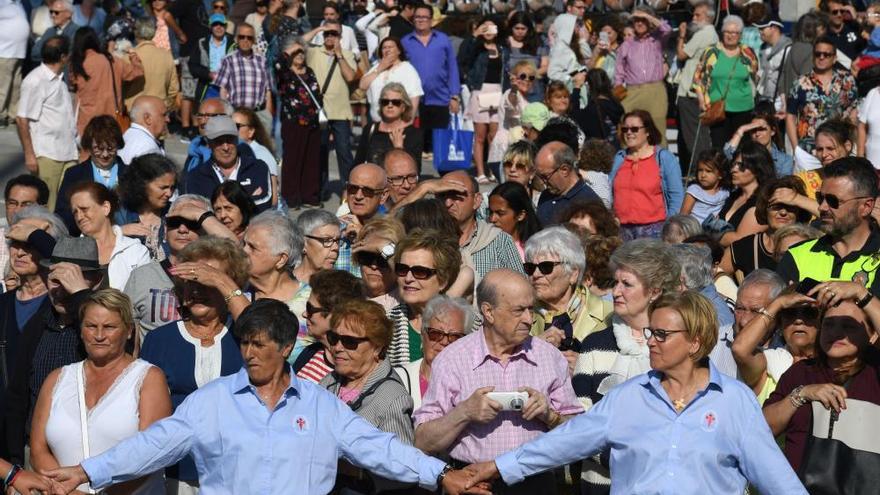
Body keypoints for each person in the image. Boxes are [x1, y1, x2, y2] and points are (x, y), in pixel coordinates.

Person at [43, 299, 477, 495]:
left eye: (259, 344)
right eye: (244, 343)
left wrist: (440, 476)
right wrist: (87, 471)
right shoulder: (211, 402)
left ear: (286, 347)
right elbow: (152, 445)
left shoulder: (321, 405)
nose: (248, 353)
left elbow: (379, 449)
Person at [463, 291, 809, 495]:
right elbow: (561, 443)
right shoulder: (626, 398)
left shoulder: (734, 401)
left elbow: (778, 480)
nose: (650, 341)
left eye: (661, 334)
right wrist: (495, 466)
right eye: (649, 331)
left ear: (695, 342)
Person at [414, 269, 584, 492]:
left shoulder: (549, 357)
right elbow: (423, 442)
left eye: (530, 309)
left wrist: (549, 416)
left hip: (535, 483)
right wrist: (465, 413)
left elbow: (580, 435)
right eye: (518, 311)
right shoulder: (452, 359)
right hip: (474, 484)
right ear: (488, 312)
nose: (529, 319)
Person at [30, 289, 171, 494]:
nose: (98, 335)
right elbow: (37, 449)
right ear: (80, 330)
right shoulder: (57, 379)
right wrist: (67, 491)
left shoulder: (148, 378)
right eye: (90, 326)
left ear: (129, 330)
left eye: (109, 327)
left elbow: (151, 455)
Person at [139, 236, 249, 493]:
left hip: (238, 470)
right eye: (191, 282)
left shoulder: (245, 336)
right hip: (177, 472)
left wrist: (221, 281)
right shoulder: (160, 340)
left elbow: (265, 334)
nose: (197, 290)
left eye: (207, 281)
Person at [4, 236, 105, 464]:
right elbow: (17, 398)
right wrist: (16, 462)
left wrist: (82, 297)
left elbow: (107, 351)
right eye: (55, 280)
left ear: (96, 280)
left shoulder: (109, 324)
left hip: (89, 457)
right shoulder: (37, 324)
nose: (61, 290)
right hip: (35, 456)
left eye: (72, 281)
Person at [764, 296, 880, 474]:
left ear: (872, 335)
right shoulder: (800, 372)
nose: (836, 333)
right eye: (829, 324)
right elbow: (763, 429)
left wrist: (862, 293)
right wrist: (801, 394)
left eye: (848, 326)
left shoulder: (875, 373)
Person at [321, 299, 419, 493]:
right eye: (334, 338)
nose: (338, 347)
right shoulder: (329, 382)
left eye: (350, 342)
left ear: (377, 347)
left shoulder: (392, 397)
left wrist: (354, 470)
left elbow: (403, 471)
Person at [123, 194, 236, 340]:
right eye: (175, 222)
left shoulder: (222, 274)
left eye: (192, 222)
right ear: (165, 228)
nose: (182, 229)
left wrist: (201, 215)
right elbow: (125, 332)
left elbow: (236, 250)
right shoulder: (140, 276)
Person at [0, 206, 67, 448]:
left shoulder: (63, 306)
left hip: (47, 434)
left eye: (30, 243)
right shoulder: (3, 304)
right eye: (15, 244)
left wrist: (38, 236)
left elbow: (65, 263)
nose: (19, 252)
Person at [778, 157, 880, 296]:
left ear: (866, 206)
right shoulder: (797, 255)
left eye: (833, 201)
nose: (822, 207)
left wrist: (861, 296)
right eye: (820, 198)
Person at [527, 226, 613, 360]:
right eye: (530, 268)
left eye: (546, 267)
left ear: (573, 273)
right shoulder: (520, 316)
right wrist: (533, 347)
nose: (536, 274)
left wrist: (585, 367)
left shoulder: (610, 314)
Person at [16, 35, 78, 211]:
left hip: (68, 153)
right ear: (63, 57)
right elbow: (22, 118)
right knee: (47, 208)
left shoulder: (59, 79)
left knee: (67, 205)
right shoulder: (35, 80)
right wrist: (29, 154)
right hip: (47, 154)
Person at [386, 228, 462, 366]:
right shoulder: (385, 323)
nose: (408, 278)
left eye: (420, 271)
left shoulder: (466, 323)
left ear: (443, 280)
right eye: (402, 269)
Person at [733, 288, 818, 403]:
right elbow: (740, 349)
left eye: (808, 313)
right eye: (790, 313)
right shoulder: (768, 363)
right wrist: (779, 303)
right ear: (780, 324)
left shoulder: (835, 365)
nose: (798, 321)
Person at [610, 110, 685, 241]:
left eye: (634, 129)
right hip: (621, 230)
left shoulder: (664, 158)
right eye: (625, 129)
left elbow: (677, 196)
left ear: (648, 131)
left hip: (654, 231)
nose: (629, 132)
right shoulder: (619, 158)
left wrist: (669, 225)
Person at [721, 176, 812, 282]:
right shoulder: (748, 246)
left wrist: (798, 199)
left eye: (790, 207)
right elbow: (715, 276)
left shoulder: (810, 245)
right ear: (765, 209)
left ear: (799, 211)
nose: (783, 212)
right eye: (776, 206)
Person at [439, 170, 525, 280]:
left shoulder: (499, 240)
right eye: (442, 196)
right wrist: (424, 188)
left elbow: (521, 288)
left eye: (456, 195)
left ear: (476, 200)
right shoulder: (431, 238)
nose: (448, 203)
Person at [785, 36, 857, 165]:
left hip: (838, 150)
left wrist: (850, 143)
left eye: (826, 54)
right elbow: (790, 116)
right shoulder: (801, 83)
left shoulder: (847, 80)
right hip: (808, 152)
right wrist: (796, 149)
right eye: (818, 54)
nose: (821, 57)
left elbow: (853, 111)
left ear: (834, 58)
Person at [402, 3, 461, 158]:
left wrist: (454, 95)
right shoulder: (405, 41)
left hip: (440, 97)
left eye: (424, 17)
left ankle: (443, 177)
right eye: (417, 17)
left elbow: (452, 67)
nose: (421, 20)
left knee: (440, 144)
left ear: (431, 20)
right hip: (413, 100)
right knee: (415, 143)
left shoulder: (442, 40)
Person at [181, 115, 274, 213]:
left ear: (237, 140)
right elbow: (199, 212)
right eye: (219, 141)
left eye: (230, 140)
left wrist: (218, 207)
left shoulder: (257, 168)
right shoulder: (197, 176)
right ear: (209, 144)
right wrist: (248, 200)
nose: (225, 147)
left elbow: (264, 205)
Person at [692, 15, 759, 148]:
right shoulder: (711, 52)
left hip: (744, 109)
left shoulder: (747, 52)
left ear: (740, 35)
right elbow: (698, 78)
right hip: (718, 110)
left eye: (735, 32)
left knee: (742, 149)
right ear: (722, 33)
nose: (731, 35)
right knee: (719, 148)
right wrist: (701, 100)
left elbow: (756, 76)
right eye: (727, 32)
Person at [68, 182, 151, 290]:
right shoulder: (70, 253)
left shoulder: (135, 251)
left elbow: (144, 295)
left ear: (106, 208)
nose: (79, 217)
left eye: (84, 209)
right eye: (75, 212)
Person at [305, 19, 357, 191]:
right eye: (327, 33)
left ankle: (347, 189)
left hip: (341, 112)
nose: (330, 37)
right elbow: (297, 43)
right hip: (319, 112)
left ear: (340, 36)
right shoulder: (314, 51)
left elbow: (350, 77)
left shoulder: (348, 54)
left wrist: (339, 54)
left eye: (334, 33)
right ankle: (319, 189)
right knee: (319, 151)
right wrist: (319, 28)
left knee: (344, 152)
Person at [55, 115, 128, 236]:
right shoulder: (74, 174)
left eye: (110, 149)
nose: (105, 154)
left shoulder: (131, 173)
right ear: (89, 146)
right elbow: (62, 214)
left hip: (125, 238)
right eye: (98, 149)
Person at [400, 295, 475, 409]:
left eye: (454, 336)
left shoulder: (473, 383)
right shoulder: (400, 378)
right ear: (423, 334)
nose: (444, 341)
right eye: (436, 334)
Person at [274, 37, 322, 209]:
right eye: (296, 52)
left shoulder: (309, 71)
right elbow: (277, 61)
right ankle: (291, 198)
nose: (300, 55)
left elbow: (317, 95)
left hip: (312, 122)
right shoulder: (285, 72)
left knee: (311, 160)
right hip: (293, 122)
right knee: (293, 161)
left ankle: (310, 196)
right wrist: (290, 47)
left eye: (302, 51)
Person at [69, 27, 143, 138]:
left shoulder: (76, 63)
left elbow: (73, 87)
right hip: (110, 119)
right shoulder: (111, 60)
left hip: (86, 121)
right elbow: (137, 72)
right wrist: (133, 56)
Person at [459, 18, 508, 183]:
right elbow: (464, 59)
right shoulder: (476, 48)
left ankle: (494, 168)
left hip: (497, 92)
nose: (488, 30)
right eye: (484, 27)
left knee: (494, 135)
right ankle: (480, 171)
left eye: (491, 27)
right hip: (480, 91)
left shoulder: (502, 49)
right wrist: (475, 35)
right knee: (480, 135)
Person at [244, 211, 308, 335]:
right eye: (244, 244)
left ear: (281, 259)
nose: (243, 251)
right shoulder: (237, 291)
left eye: (252, 247)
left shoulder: (310, 303)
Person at [294, 269, 364, 383]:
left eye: (310, 308)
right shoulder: (310, 352)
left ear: (334, 315)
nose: (304, 314)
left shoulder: (355, 371)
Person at [614, 6, 670, 146]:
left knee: (658, 128)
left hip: (655, 89)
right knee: (627, 127)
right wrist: (618, 90)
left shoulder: (657, 40)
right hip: (632, 91)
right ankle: (627, 162)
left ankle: (660, 163)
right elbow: (619, 72)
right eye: (636, 20)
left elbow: (667, 29)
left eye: (642, 20)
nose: (639, 23)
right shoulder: (626, 45)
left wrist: (649, 17)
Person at [675, 1, 718, 168]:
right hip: (698, 91)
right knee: (697, 135)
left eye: (697, 15)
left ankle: (699, 170)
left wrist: (681, 35)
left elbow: (681, 54)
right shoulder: (712, 34)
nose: (693, 17)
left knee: (692, 136)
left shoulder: (705, 33)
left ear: (708, 17)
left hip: (690, 92)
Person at [116, 154, 177, 259]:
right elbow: (94, 241)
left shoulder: (176, 214)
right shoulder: (118, 213)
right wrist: (117, 232)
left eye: (172, 188)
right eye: (163, 187)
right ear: (142, 184)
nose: (169, 194)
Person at [717, 141, 776, 247]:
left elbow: (740, 241)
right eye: (733, 164)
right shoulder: (733, 196)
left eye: (741, 165)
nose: (733, 170)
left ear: (758, 168)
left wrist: (709, 234)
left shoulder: (763, 202)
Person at [336, 163, 389, 275]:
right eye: (353, 189)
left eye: (367, 191)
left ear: (383, 196)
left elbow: (399, 266)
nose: (358, 196)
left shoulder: (392, 232)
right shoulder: (332, 229)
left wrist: (366, 238)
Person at [534, 141, 601, 226]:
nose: (542, 181)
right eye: (539, 177)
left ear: (564, 170)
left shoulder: (589, 203)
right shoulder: (545, 196)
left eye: (545, 177)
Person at [355, 82, 423, 165]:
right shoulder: (370, 129)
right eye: (385, 102)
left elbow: (415, 171)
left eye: (396, 102)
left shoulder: (413, 134)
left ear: (403, 107)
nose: (390, 105)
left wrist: (399, 149)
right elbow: (357, 163)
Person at [359, 36, 423, 123]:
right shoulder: (376, 67)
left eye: (390, 47)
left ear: (399, 51)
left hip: (399, 122)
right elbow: (362, 85)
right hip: (377, 122)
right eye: (384, 48)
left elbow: (415, 96)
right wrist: (380, 69)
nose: (387, 50)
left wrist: (408, 122)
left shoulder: (407, 69)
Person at [123, 16, 179, 113]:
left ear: (136, 33)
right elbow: (173, 89)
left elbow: (121, 88)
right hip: (159, 109)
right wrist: (166, 106)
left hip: (135, 111)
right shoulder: (166, 56)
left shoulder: (127, 57)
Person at [215, 23, 271, 116]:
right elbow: (223, 90)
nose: (245, 40)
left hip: (259, 114)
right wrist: (227, 114)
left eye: (249, 38)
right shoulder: (227, 60)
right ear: (236, 39)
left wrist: (268, 115)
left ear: (254, 41)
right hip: (236, 113)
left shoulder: (263, 61)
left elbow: (268, 91)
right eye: (242, 37)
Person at [351, 216, 405, 310]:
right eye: (367, 256)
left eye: (382, 259)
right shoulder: (347, 292)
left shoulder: (408, 300)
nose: (374, 266)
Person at [723, 110, 794, 178]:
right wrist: (741, 129)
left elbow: (783, 185)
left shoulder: (785, 160)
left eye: (761, 129)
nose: (757, 134)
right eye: (753, 130)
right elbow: (727, 155)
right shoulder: (744, 156)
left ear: (772, 131)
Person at [233, 107, 279, 207]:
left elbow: (273, 198)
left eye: (237, 126)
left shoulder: (262, 154)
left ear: (251, 131)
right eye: (229, 126)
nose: (232, 130)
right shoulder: (233, 153)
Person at [188, 13, 235, 103]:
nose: (218, 27)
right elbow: (193, 66)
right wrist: (208, 74)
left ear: (226, 26)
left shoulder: (233, 43)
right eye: (215, 24)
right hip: (208, 87)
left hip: (228, 88)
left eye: (221, 24)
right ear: (210, 27)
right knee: (207, 114)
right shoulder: (201, 42)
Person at [572, 69, 624, 148]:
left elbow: (575, 116)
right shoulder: (616, 105)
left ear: (590, 86)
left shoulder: (594, 108)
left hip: (601, 153)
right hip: (617, 150)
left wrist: (577, 87)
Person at [487, 182, 540, 259]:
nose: (492, 219)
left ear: (520, 215)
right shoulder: (485, 246)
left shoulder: (538, 248)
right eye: (491, 212)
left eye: (500, 213)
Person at [505, 11, 547, 103]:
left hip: (534, 91)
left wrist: (528, 74)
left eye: (523, 29)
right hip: (512, 90)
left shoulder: (537, 42)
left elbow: (545, 66)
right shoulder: (505, 44)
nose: (520, 32)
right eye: (517, 28)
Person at [679, 149, 729, 224]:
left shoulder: (724, 193)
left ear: (720, 174)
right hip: (694, 232)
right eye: (700, 170)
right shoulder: (694, 191)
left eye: (708, 171)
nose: (703, 175)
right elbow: (683, 217)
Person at [0, 0, 28, 130]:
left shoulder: (19, 3)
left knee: (16, 86)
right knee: (2, 86)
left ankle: (13, 114)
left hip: (19, 52)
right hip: (5, 51)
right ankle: (0, 115)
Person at [118, 95, 169, 165]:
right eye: (164, 115)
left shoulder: (129, 134)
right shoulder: (148, 149)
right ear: (147, 118)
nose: (168, 119)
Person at [755, 15, 791, 111]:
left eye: (762, 29)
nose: (760, 32)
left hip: (781, 102)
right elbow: (762, 71)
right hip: (764, 100)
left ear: (774, 28)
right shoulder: (763, 48)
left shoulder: (788, 48)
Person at [31, 0, 79, 64]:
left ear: (68, 14)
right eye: (51, 12)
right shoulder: (50, 31)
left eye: (56, 12)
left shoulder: (77, 31)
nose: (53, 15)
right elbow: (35, 53)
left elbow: (71, 56)